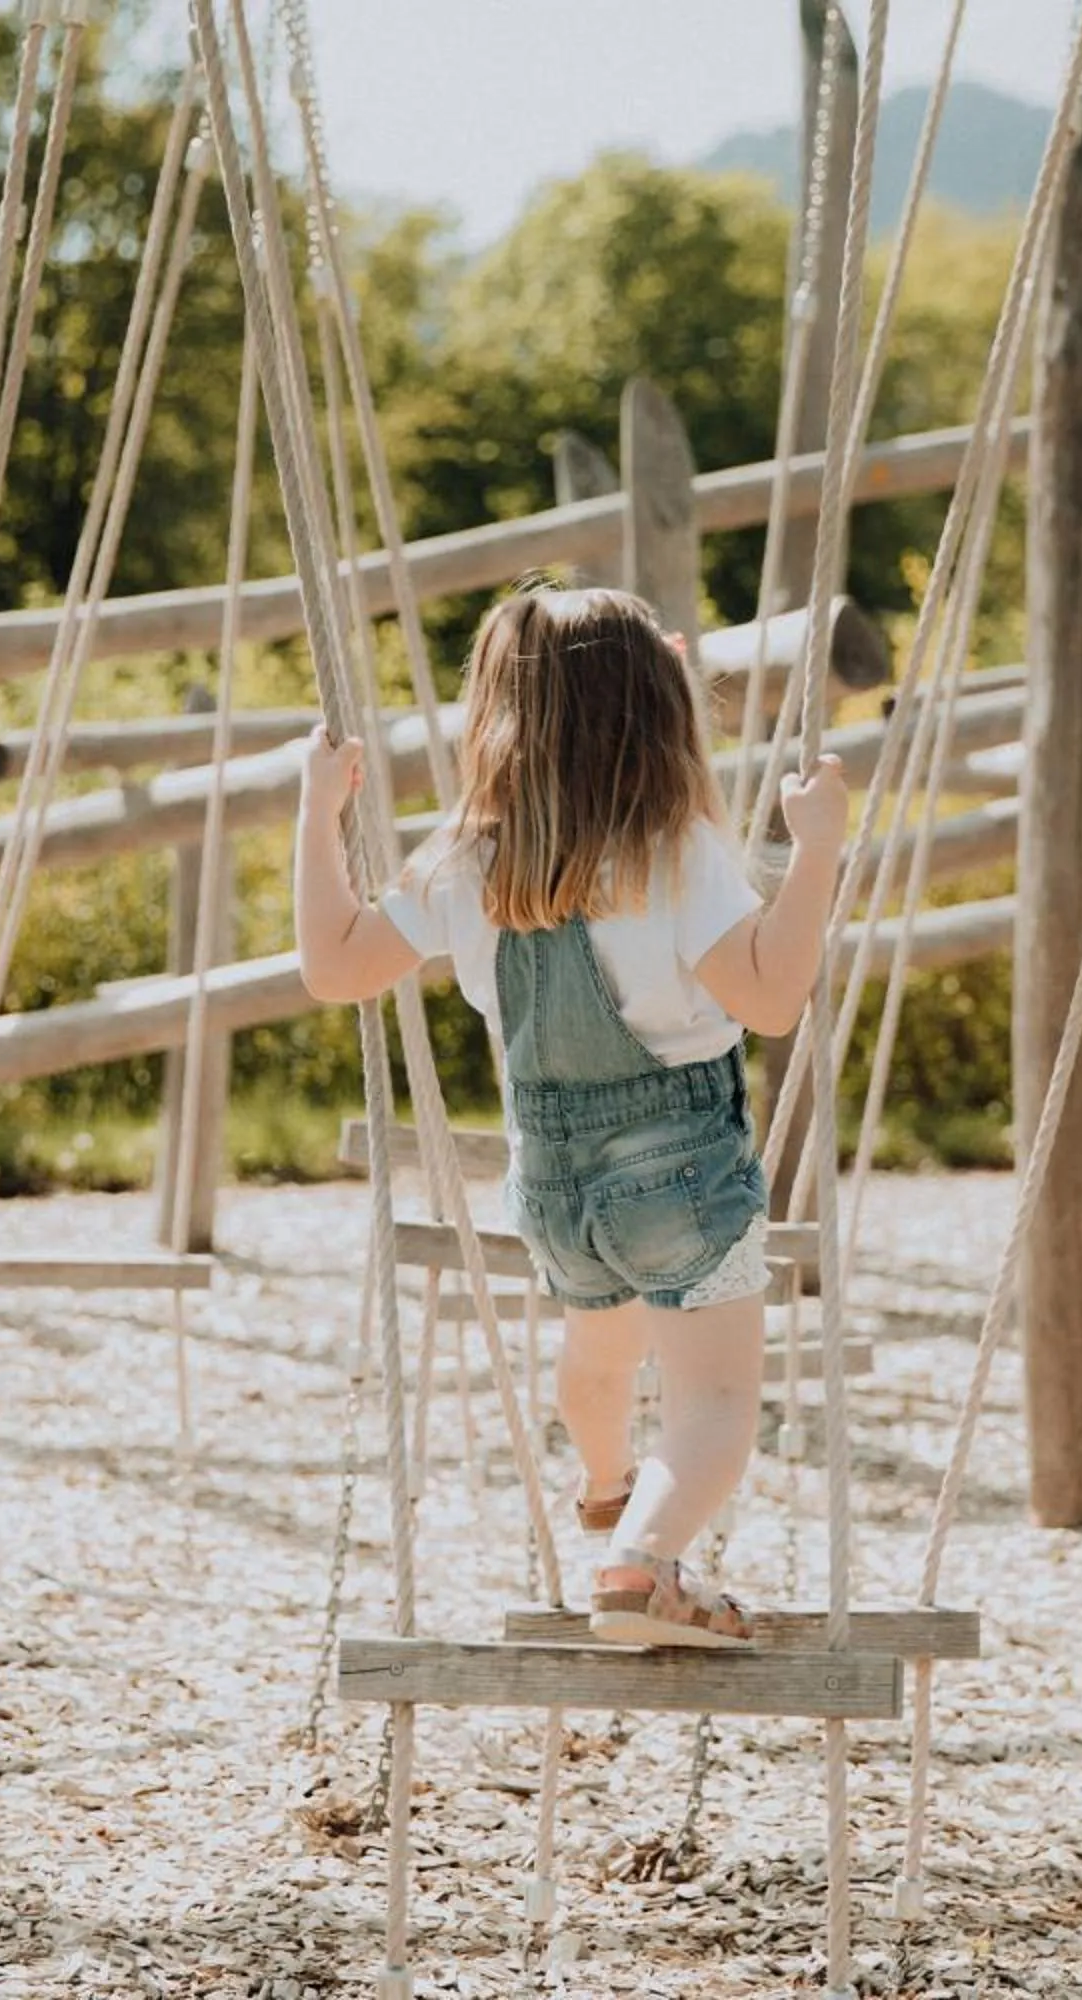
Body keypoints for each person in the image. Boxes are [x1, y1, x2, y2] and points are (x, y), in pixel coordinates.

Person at [294, 585, 848, 1648]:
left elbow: (334, 965)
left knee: (598, 1358)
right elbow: (774, 995)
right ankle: (639, 1566)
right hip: (681, 1174)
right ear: (658, 715)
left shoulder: (467, 857)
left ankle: (606, 1482)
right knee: (719, 1401)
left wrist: (319, 814)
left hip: (551, 1186)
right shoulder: (673, 851)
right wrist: (815, 846)